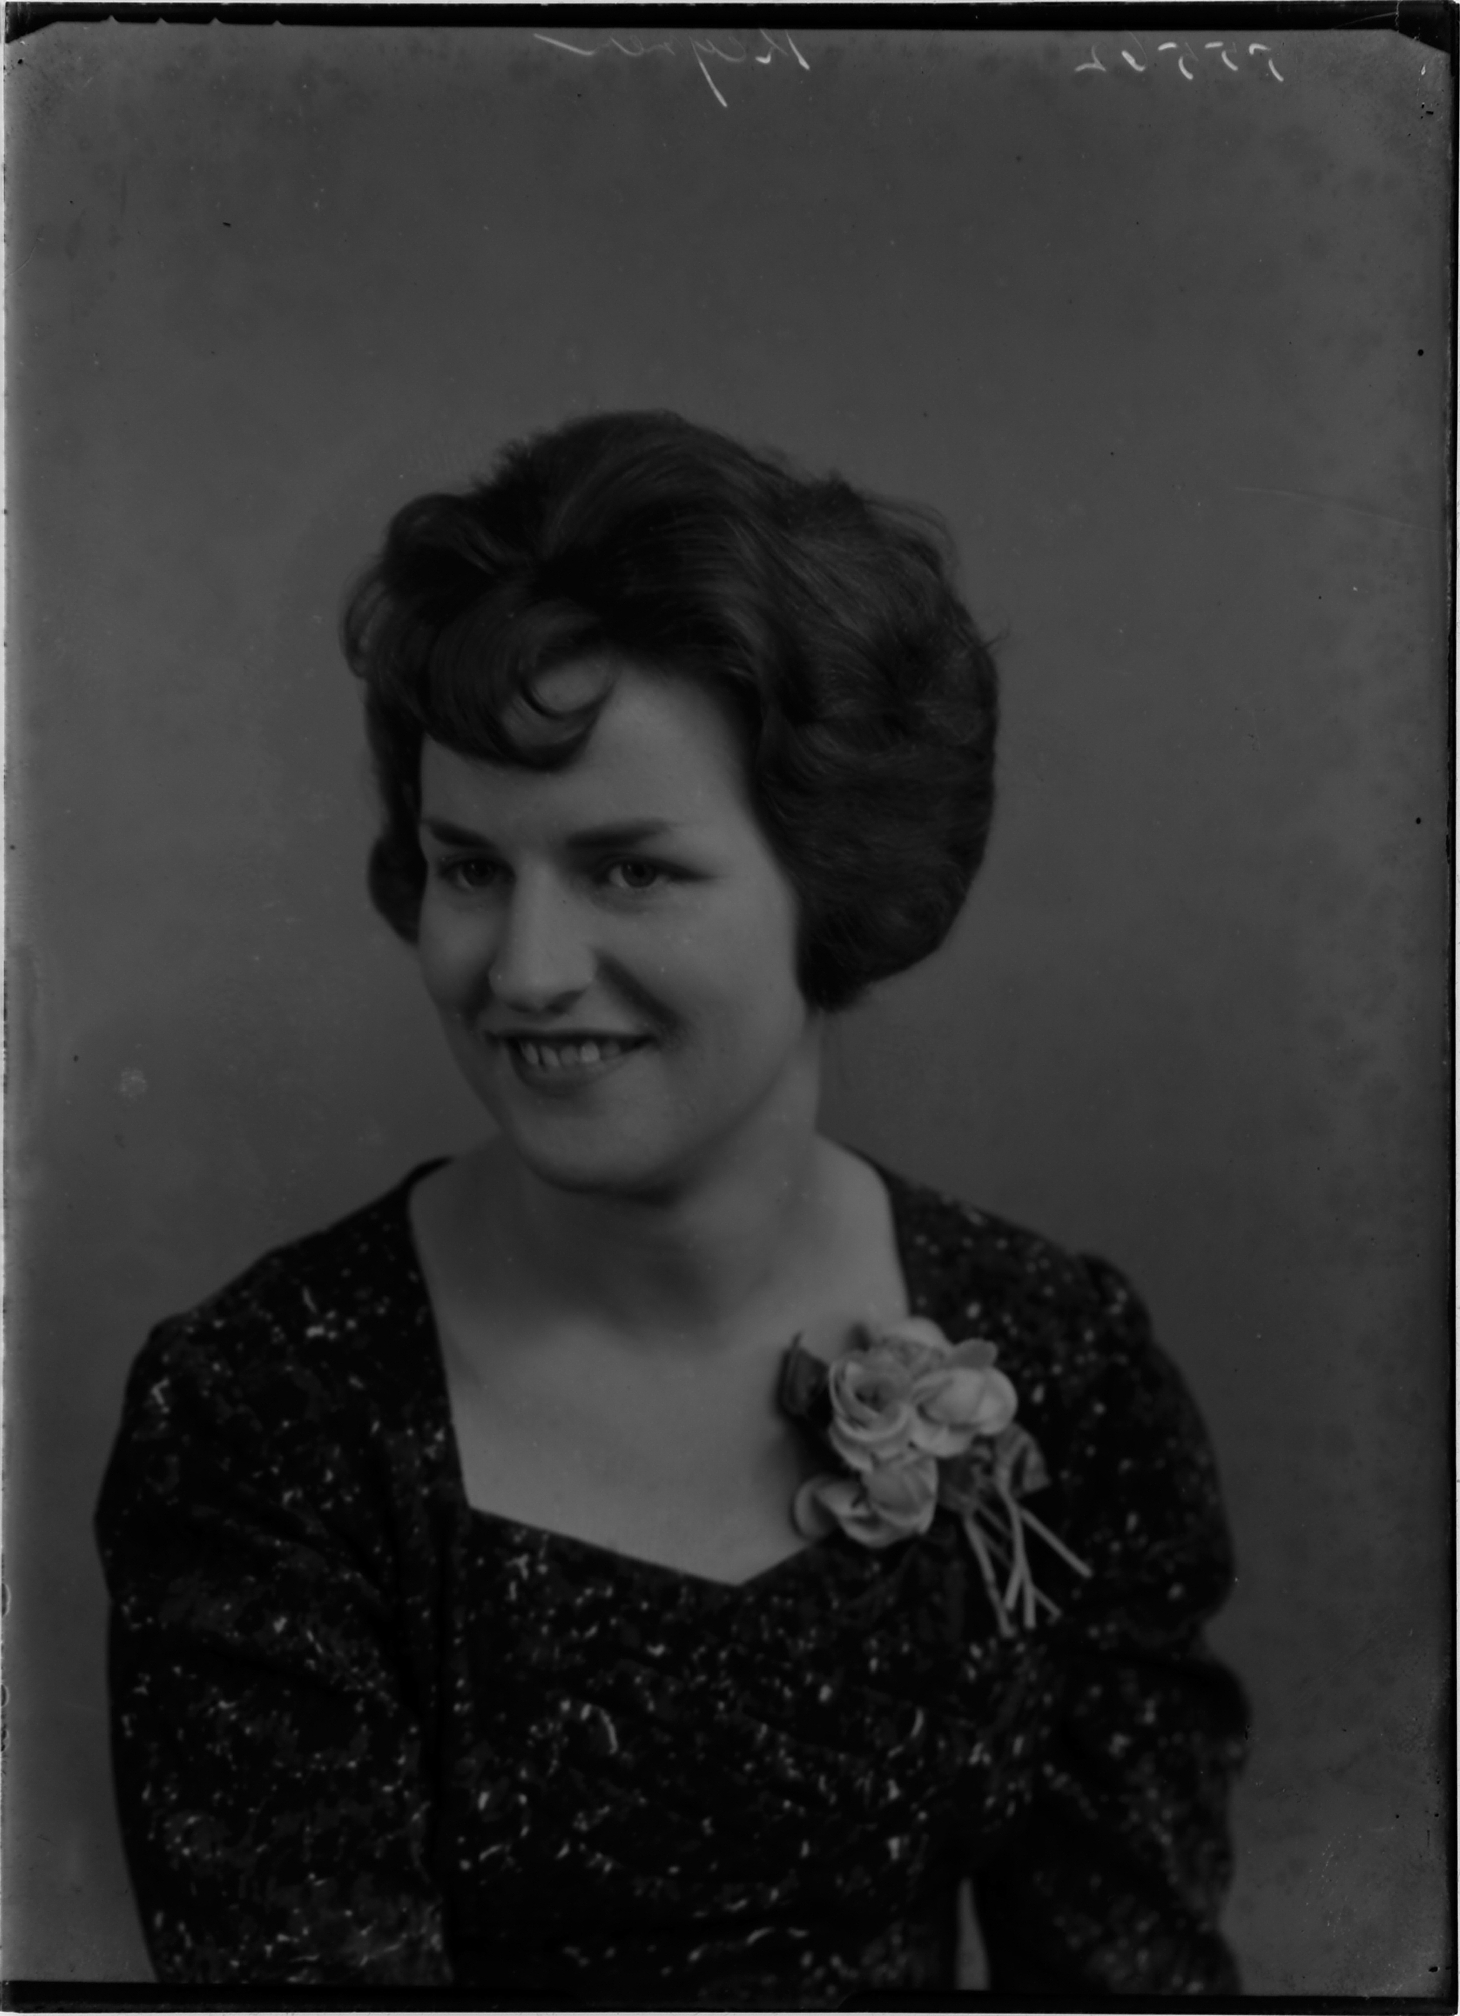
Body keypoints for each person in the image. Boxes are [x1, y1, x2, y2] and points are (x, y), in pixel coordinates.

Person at [95, 410, 1248, 2001]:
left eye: (628, 869)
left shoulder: (1057, 1355)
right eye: (471, 868)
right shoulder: (267, 1416)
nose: (526, 972)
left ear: (835, 880)